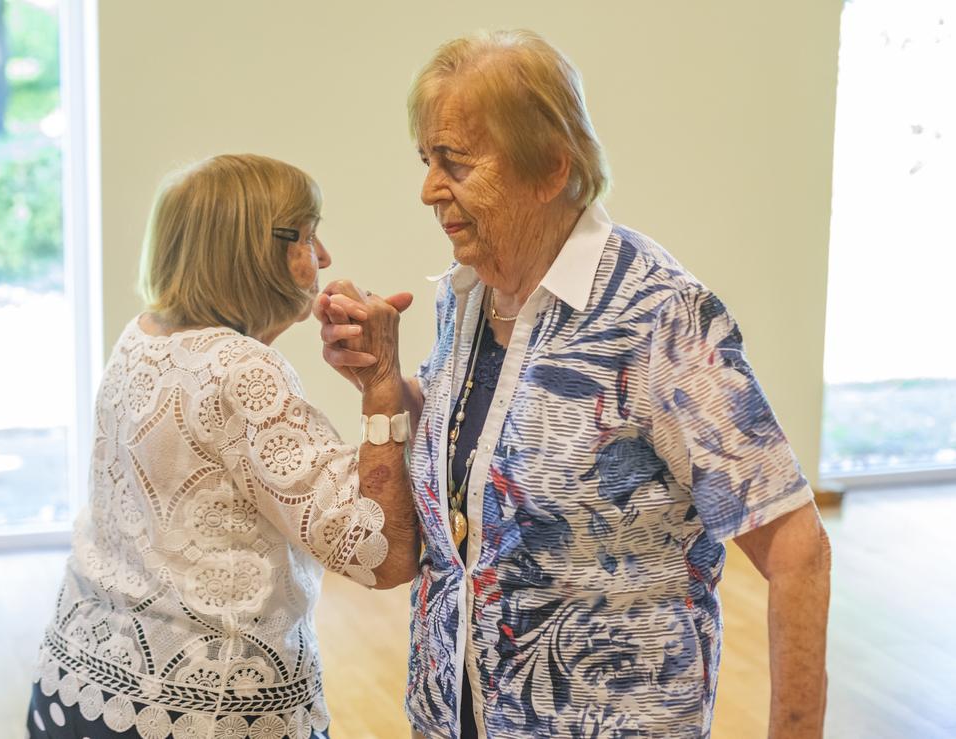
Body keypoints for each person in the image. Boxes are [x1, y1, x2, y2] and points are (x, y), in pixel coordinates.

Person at [315, 30, 832, 738]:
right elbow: (473, 453)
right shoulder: (467, 295)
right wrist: (382, 379)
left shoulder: (658, 317)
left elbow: (797, 547)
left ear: (550, 168)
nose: (429, 188)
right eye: (426, 159)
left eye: (455, 163)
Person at [26, 153, 418, 739]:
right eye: (309, 235)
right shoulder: (241, 368)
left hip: (79, 683)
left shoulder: (139, 338)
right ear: (256, 252)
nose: (326, 256)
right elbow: (380, 555)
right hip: (202, 709)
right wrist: (382, 387)